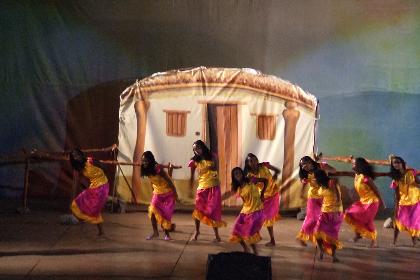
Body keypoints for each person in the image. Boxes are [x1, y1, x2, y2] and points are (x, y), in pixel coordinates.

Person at [222, 167, 267, 255]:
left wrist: (262, 193)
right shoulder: (237, 187)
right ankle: (246, 249)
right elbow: (228, 194)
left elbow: (265, 181)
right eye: (235, 174)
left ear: (242, 174)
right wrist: (218, 200)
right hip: (245, 212)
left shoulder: (250, 180)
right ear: (233, 177)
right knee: (236, 231)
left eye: (239, 173)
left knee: (249, 233)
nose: (238, 175)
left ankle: (255, 253)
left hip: (256, 211)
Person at [188, 140, 226, 242]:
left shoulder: (213, 156)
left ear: (203, 147)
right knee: (198, 211)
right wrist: (190, 188)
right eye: (195, 149)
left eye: (198, 148)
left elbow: (216, 169)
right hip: (202, 188)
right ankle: (197, 231)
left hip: (214, 187)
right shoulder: (194, 161)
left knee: (213, 211)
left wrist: (212, 168)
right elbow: (191, 177)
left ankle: (217, 236)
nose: (197, 151)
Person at [344, 157, 385, 247]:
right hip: (363, 202)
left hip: (372, 202)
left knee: (368, 221)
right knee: (350, 214)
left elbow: (376, 190)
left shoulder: (365, 178)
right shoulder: (356, 176)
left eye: (354, 163)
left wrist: (382, 202)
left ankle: (374, 241)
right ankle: (357, 236)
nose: (352, 165)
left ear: (359, 166)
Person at [296, 156, 336, 246]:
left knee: (323, 217)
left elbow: (334, 170)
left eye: (305, 164)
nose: (303, 167)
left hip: (324, 195)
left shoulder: (321, 166)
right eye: (302, 165)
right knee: (312, 218)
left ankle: (321, 236)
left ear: (310, 162)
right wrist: (303, 183)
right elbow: (302, 181)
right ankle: (303, 236)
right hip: (313, 197)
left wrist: (326, 169)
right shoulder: (304, 173)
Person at [69, 149, 109, 236]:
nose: (77, 157)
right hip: (93, 187)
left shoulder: (90, 160)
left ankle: (98, 230)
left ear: (81, 154)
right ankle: (100, 231)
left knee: (94, 209)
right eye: (74, 157)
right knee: (76, 204)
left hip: (102, 187)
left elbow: (103, 166)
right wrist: (74, 196)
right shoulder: (79, 169)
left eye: (77, 155)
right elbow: (77, 183)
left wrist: (102, 175)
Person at [244, 153, 281, 246]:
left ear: (257, 160)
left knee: (266, 218)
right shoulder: (249, 175)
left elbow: (277, 170)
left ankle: (266, 239)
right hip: (263, 197)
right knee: (260, 217)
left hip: (273, 194)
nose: (253, 162)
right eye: (250, 161)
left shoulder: (264, 165)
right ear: (247, 163)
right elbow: (253, 187)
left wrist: (276, 174)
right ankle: (262, 237)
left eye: (254, 160)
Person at [141, 151, 179, 241]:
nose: (144, 163)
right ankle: (155, 232)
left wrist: (175, 193)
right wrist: (153, 190)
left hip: (167, 194)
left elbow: (169, 180)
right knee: (152, 211)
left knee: (165, 215)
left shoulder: (157, 168)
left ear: (150, 161)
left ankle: (167, 235)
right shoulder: (145, 169)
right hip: (157, 193)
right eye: (143, 161)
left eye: (146, 161)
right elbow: (152, 180)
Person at [313, 169, 343, 262]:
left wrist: (336, 211)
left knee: (333, 235)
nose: (314, 179)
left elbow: (338, 196)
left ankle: (334, 256)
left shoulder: (332, 182)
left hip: (334, 212)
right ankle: (321, 250)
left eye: (315, 177)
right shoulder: (321, 186)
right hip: (324, 211)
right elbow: (323, 198)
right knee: (317, 232)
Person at [389, 156, 419, 246]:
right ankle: (394, 241)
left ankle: (414, 242)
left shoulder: (410, 172)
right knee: (398, 221)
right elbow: (396, 194)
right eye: (394, 163)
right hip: (403, 202)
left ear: (402, 163)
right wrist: (396, 206)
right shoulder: (395, 178)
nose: (396, 164)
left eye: (398, 162)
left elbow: (418, 182)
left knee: (413, 222)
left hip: (415, 200)